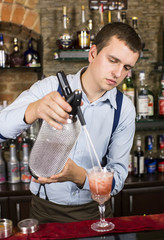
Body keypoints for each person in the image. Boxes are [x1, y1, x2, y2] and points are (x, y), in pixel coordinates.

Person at [0, 22, 142, 223]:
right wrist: (35, 109)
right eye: (113, 60)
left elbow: (117, 179)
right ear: (92, 53)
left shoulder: (124, 108)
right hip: (46, 212)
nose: (118, 74)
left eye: (127, 67)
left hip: (97, 213)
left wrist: (80, 176)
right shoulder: (50, 87)